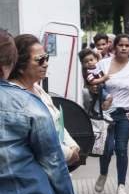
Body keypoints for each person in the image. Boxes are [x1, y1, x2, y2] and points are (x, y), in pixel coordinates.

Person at [0, 29, 77, 194]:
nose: (45, 64)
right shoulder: (26, 103)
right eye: (40, 59)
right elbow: (52, 161)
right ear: (11, 62)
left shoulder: (36, 95)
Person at [9, 34, 81, 166]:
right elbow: (37, 140)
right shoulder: (14, 96)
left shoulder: (37, 88)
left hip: (56, 166)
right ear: (20, 65)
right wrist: (68, 154)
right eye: (40, 60)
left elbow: (57, 123)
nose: (46, 64)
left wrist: (72, 145)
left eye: (46, 58)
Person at [94, 33, 129, 194]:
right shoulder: (103, 64)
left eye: (127, 45)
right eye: (120, 45)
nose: (123, 48)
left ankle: (121, 185)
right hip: (106, 114)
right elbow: (93, 84)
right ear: (114, 46)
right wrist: (101, 95)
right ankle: (103, 174)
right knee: (107, 149)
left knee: (121, 149)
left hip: (126, 113)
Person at [79, 48, 114, 119]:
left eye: (91, 60)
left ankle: (99, 111)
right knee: (109, 98)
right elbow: (92, 81)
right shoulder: (88, 72)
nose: (89, 62)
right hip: (98, 89)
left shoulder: (97, 67)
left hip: (103, 87)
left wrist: (99, 56)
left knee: (99, 101)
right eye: (86, 62)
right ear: (83, 64)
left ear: (95, 59)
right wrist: (103, 78)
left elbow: (99, 62)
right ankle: (104, 112)